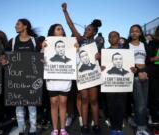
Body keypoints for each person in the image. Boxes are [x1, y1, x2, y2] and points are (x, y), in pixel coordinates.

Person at [62, 3, 102, 134]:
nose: (86, 30)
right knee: (84, 99)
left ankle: (96, 125)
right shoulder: (79, 39)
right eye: (86, 28)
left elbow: (104, 59)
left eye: (89, 29)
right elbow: (71, 25)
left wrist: (99, 56)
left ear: (94, 32)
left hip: (93, 74)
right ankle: (84, 125)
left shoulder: (98, 42)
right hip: (82, 74)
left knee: (94, 100)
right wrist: (65, 11)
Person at [7, 18, 39, 135]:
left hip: (31, 77)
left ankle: (33, 129)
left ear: (25, 26)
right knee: (19, 105)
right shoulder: (12, 41)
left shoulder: (34, 41)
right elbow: (5, 56)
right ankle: (21, 129)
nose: (15, 26)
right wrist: (4, 60)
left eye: (18, 24)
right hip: (17, 78)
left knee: (32, 104)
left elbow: (40, 57)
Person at [104, 31, 136, 135]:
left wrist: (133, 70)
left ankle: (119, 129)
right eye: (111, 36)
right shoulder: (104, 52)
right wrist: (100, 68)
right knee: (111, 106)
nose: (113, 37)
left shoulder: (126, 52)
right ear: (108, 39)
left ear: (119, 38)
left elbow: (131, 66)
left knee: (121, 106)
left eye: (115, 36)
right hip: (109, 85)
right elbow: (100, 69)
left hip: (123, 84)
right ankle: (114, 128)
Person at [44, 23, 74, 135]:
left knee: (63, 102)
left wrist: (76, 49)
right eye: (58, 29)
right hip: (52, 80)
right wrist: (43, 49)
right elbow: (42, 61)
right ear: (53, 32)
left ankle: (62, 129)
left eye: (62, 29)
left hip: (65, 80)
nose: (61, 31)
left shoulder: (70, 46)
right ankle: (55, 129)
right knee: (53, 102)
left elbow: (75, 62)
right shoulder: (46, 45)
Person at [126, 24, 151, 135]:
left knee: (144, 103)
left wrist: (145, 71)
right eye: (132, 31)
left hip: (146, 75)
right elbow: (126, 62)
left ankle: (137, 121)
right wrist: (138, 70)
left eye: (137, 31)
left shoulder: (145, 44)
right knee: (140, 103)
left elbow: (149, 61)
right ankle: (141, 128)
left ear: (140, 33)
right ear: (130, 33)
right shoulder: (127, 45)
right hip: (135, 76)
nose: (134, 33)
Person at [147, 26, 159, 135]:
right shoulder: (152, 44)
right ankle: (155, 122)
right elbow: (148, 59)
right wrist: (153, 59)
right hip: (154, 74)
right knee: (154, 98)